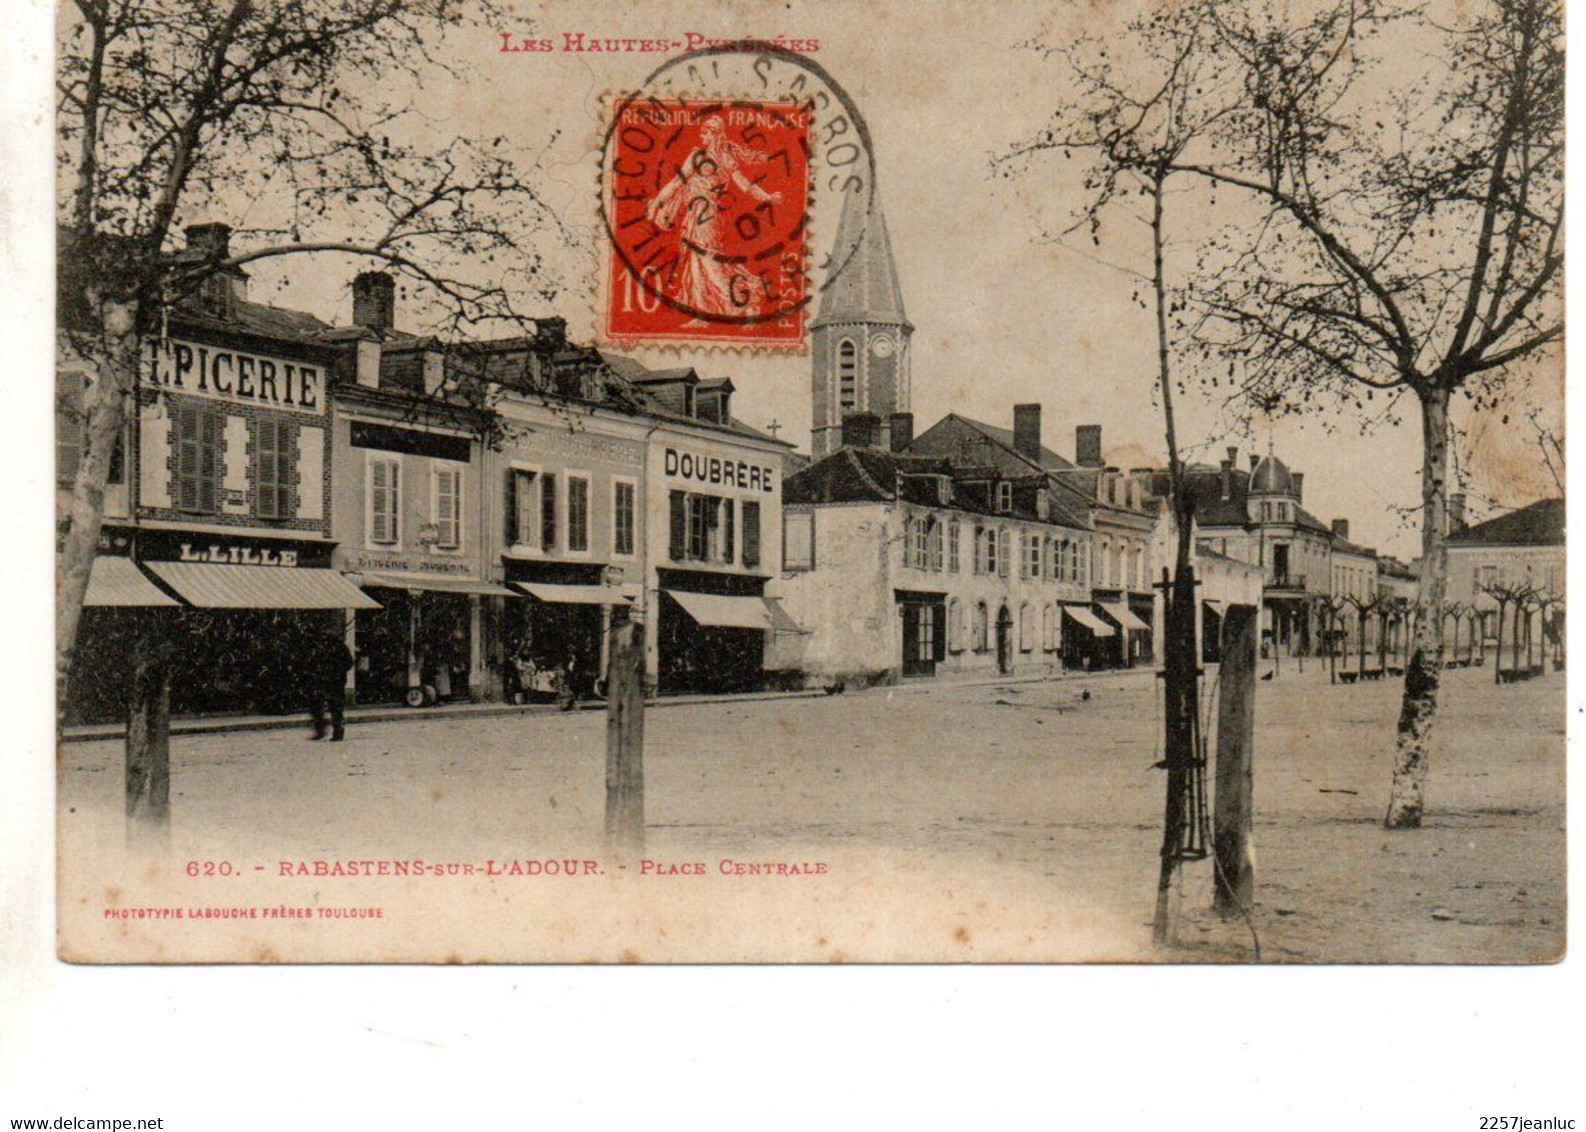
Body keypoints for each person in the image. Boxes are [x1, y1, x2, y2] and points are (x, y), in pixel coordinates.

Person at [310, 630, 355, 741]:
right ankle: (321, 730)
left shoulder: (340, 648)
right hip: (324, 681)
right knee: (319, 705)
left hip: (336, 682)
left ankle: (337, 733)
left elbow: (349, 662)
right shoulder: (323, 649)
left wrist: (338, 671)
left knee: (335, 707)